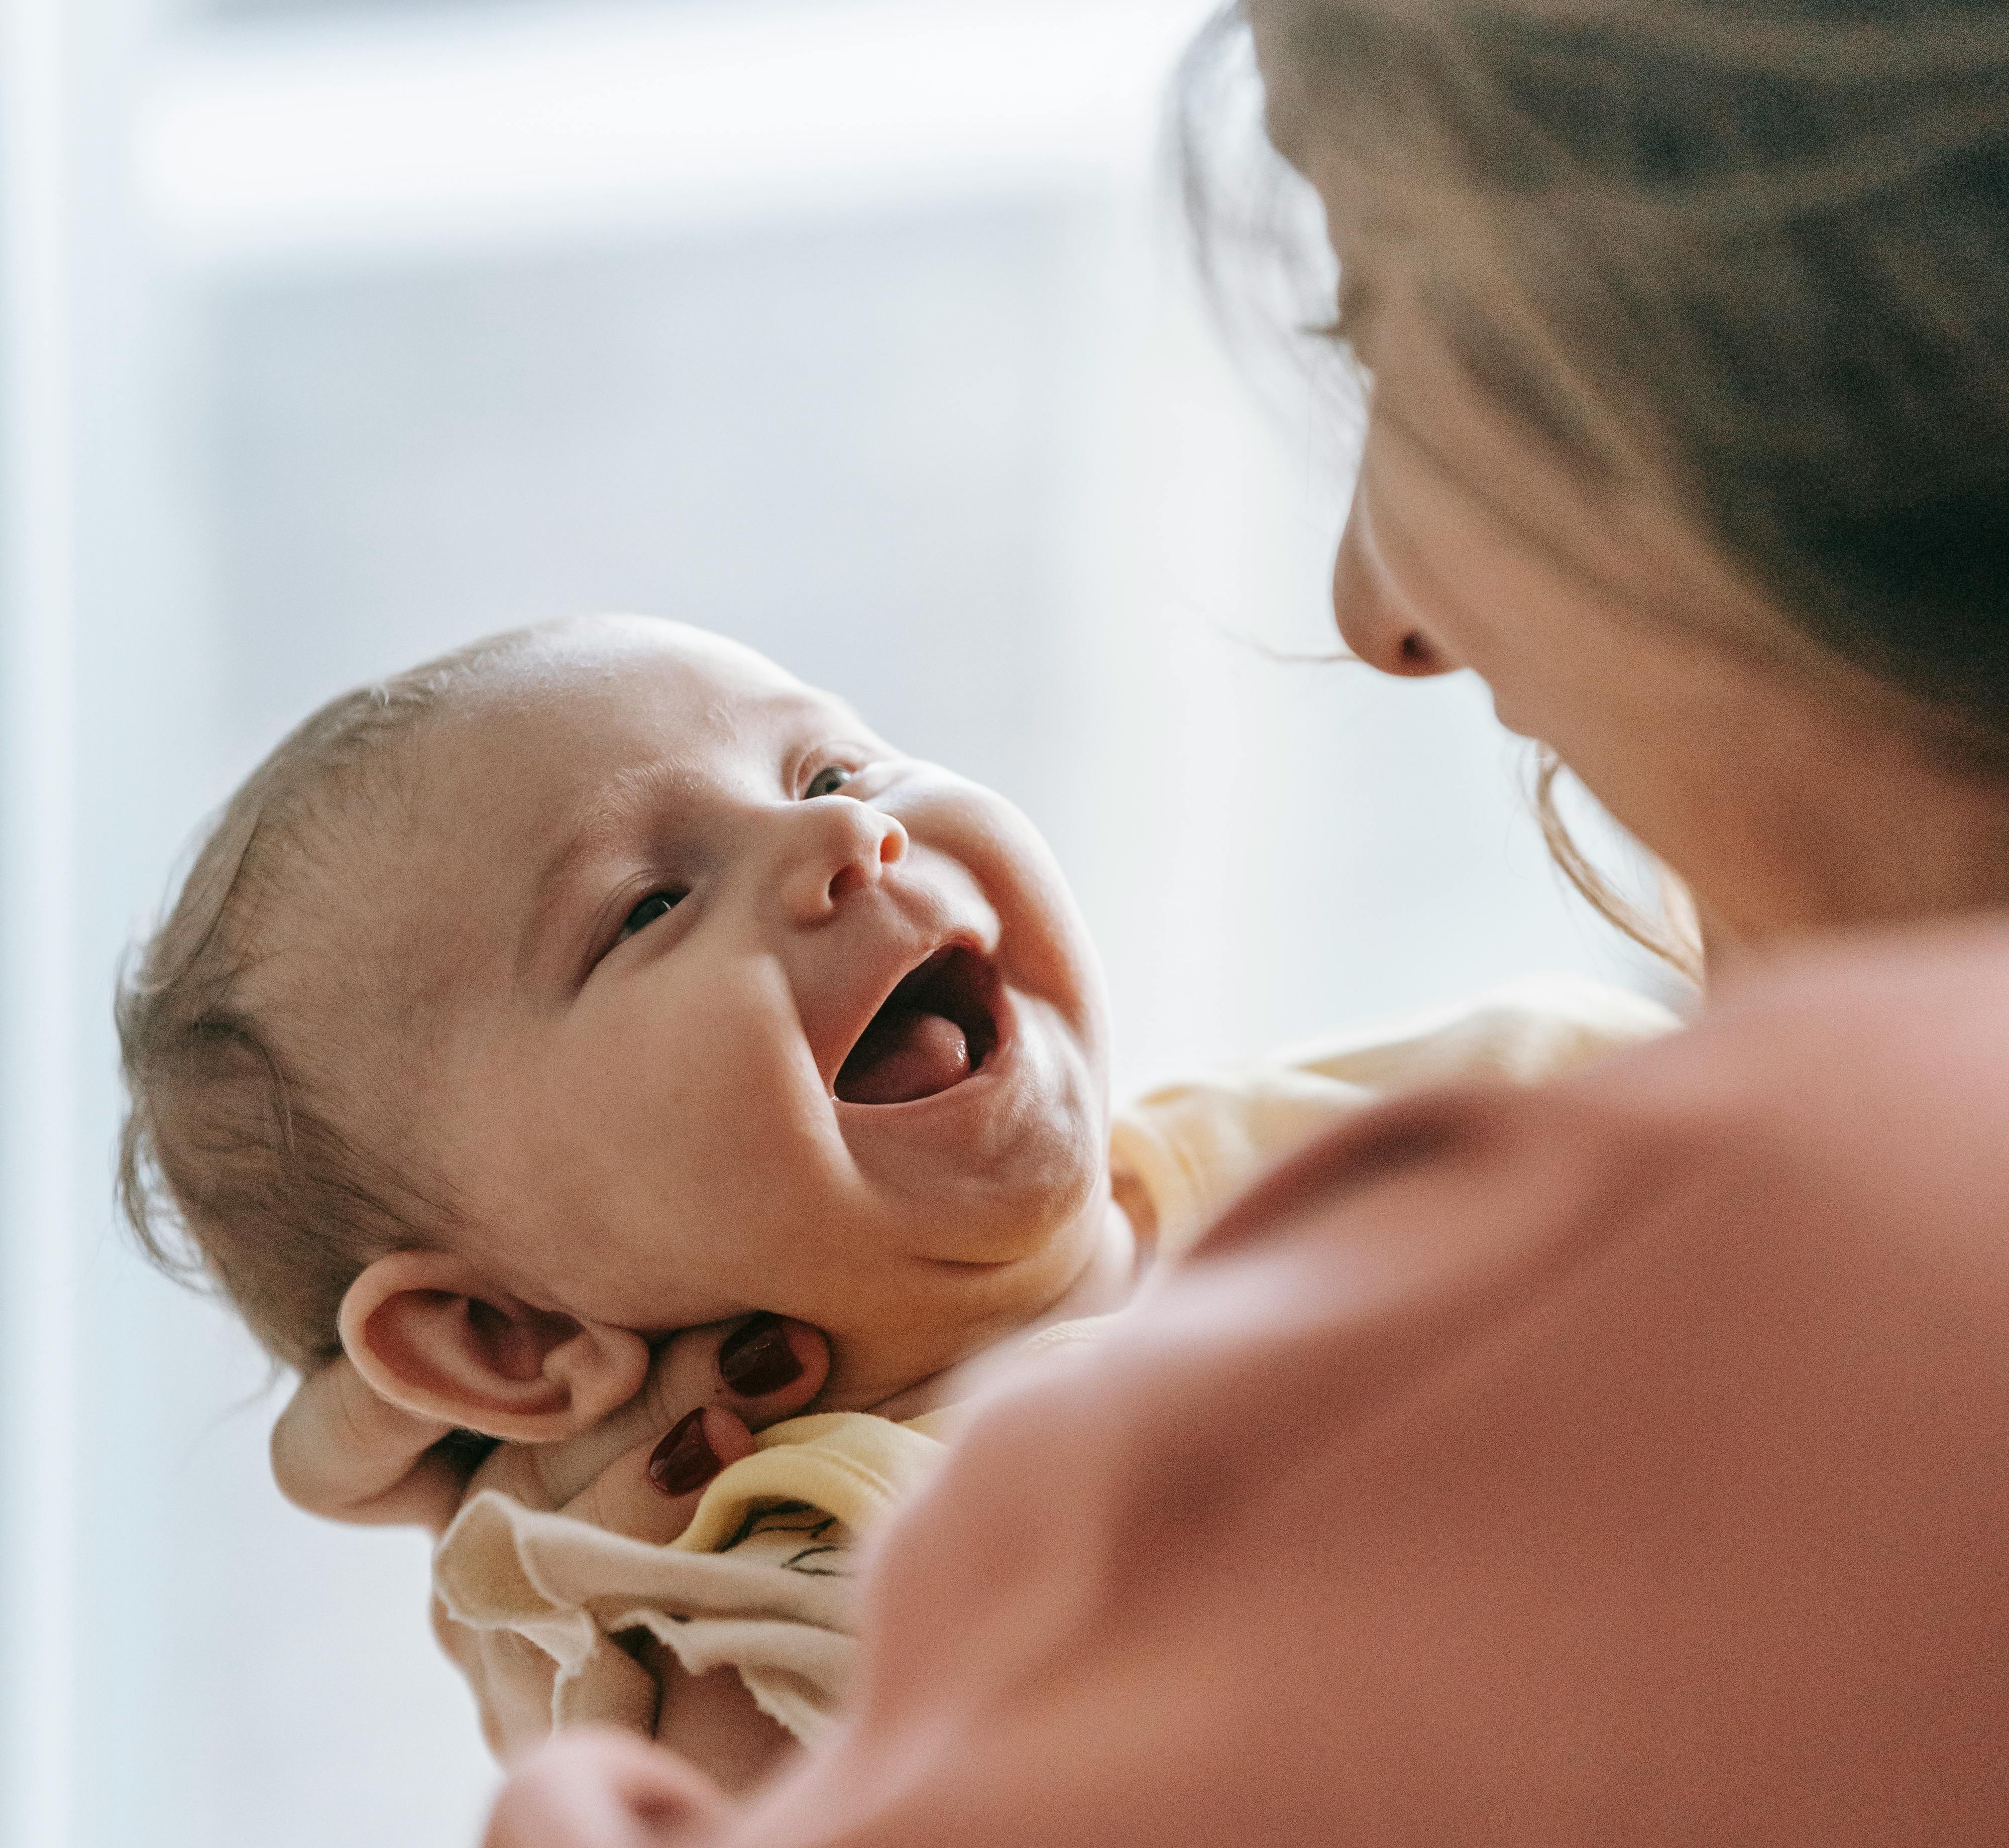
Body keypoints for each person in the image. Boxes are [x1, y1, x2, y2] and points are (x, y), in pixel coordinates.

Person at [117, 0, 2009, 1848]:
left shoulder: (1734, 1296)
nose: (1390, 607)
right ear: (489, 1327)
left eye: (1410, 333)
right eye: (645, 904)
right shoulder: (785, 1545)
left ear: (1755, 336)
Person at [116, 609, 1660, 1782]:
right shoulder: (794, 1628)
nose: (848, 836)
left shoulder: (1424, 1110)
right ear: (499, 1336)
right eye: (649, 904)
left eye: (832, 767)